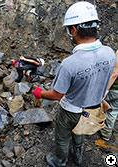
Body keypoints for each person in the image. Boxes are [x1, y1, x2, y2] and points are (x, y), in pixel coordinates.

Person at [32, 2, 116, 167]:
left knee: (62, 136)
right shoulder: (109, 53)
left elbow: (57, 95)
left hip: (71, 110)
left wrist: (39, 93)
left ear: (74, 30)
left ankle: (60, 161)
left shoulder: (70, 64)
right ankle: (77, 157)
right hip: (93, 107)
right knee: (81, 131)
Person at [100, 50, 118, 141]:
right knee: (113, 111)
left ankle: (89, 126)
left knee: (98, 104)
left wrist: (105, 90)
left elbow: (115, 73)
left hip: (114, 88)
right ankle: (106, 134)